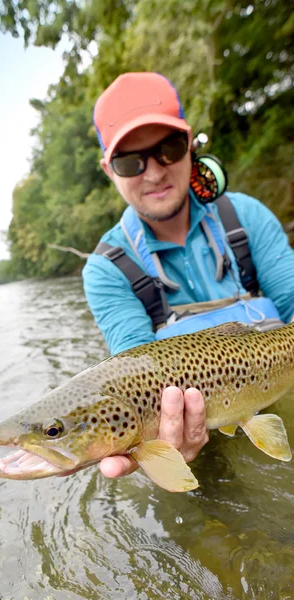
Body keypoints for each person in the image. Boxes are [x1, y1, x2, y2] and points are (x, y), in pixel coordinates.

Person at [82, 72, 294, 481]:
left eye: (169, 149)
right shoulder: (107, 270)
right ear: (110, 170)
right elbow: (136, 371)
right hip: (199, 443)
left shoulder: (246, 217)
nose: (155, 172)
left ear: (191, 145)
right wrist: (158, 445)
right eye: (131, 161)